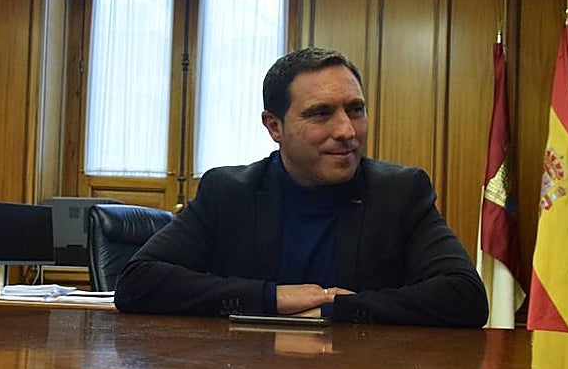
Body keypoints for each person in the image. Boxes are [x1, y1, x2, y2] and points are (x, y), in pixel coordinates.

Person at [114, 47, 488, 327]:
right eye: (321, 113)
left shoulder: (400, 192)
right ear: (274, 126)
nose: (346, 131)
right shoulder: (229, 192)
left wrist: (333, 308)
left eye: (355, 110)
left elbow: (465, 297)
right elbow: (138, 283)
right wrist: (273, 297)